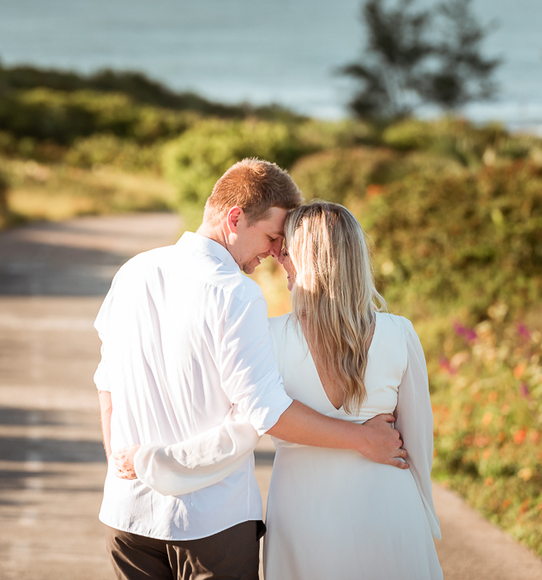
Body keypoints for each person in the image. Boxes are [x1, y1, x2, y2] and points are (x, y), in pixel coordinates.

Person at [94, 161, 407, 580]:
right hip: (210, 523)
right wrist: (363, 438)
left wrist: (120, 462)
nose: (276, 253)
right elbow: (265, 411)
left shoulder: (132, 272)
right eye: (272, 237)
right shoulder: (236, 293)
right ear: (235, 218)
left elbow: (107, 385)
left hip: (126, 514)